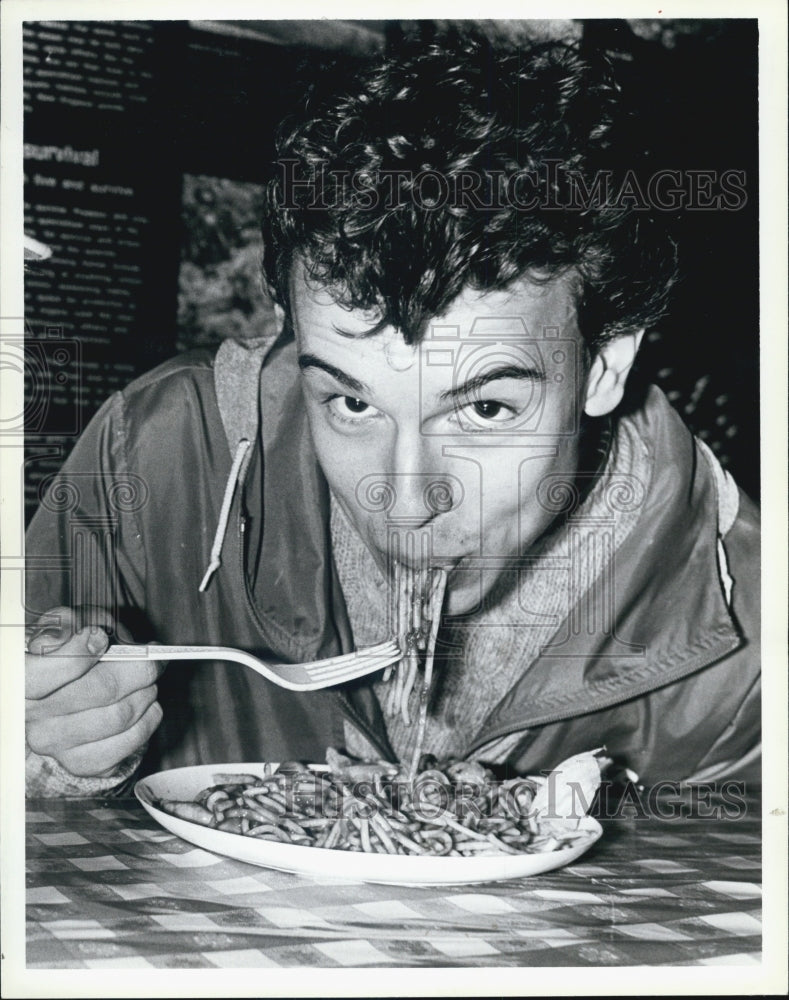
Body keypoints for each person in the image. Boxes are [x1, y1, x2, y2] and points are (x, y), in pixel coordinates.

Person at [24, 29, 760, 797]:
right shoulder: (156, 458)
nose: (405, 502)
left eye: (482, 408)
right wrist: (41, 755)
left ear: (603, 363)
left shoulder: (743, 629)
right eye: (349, 401)